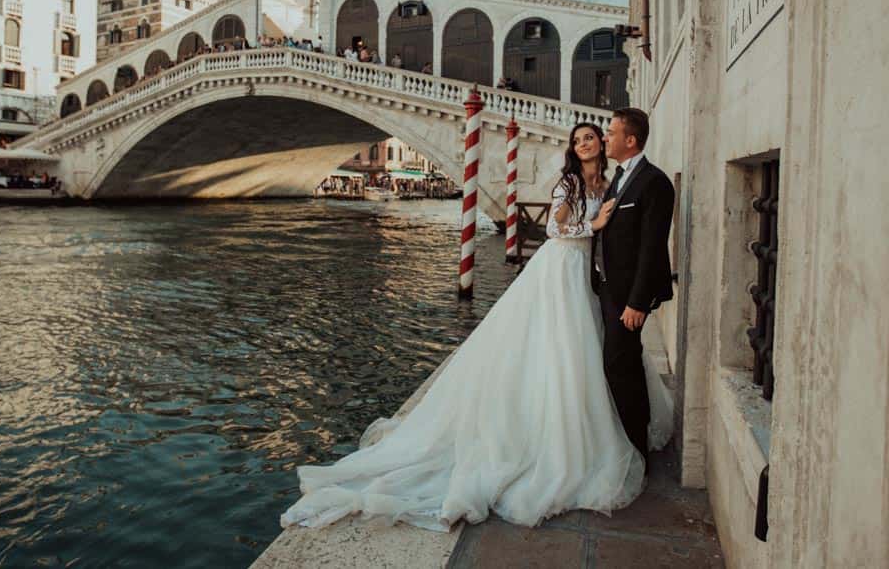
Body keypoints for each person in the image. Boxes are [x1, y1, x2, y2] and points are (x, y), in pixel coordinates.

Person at [280, 117, 674, 532]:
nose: (588, 144)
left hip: (591, 279)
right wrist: (592, 225)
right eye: (580, 140)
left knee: (589, 355)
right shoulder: (570, 183)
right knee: (559, 351)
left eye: (593, 137)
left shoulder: (610, 183)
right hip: (561, 268)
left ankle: (606, 433)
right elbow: (555, 227)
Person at [592, 108, 675, 470]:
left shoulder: (654, 182)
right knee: (622, 363)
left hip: (628, 297)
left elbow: (652, 246)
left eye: (611, 133)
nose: (604, 138)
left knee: (619, 366)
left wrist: (638, 302)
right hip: (609, 288)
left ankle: (635, 450)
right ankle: (627, 442)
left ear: (630, 140)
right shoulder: (620, 177)